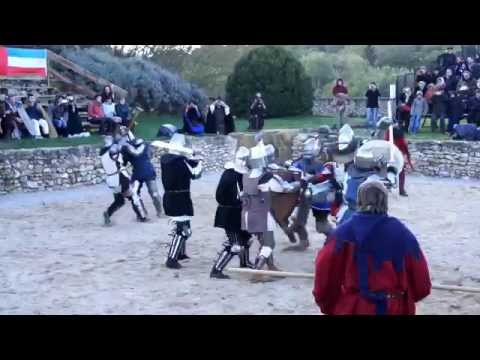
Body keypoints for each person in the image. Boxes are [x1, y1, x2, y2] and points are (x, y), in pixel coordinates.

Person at [312, 180, 431, 315]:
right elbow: (422, 285)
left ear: (359, 201)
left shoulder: (342, 234)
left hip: (355, 308)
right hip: (393, 307)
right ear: (385, 202)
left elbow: (324, 278)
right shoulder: (402, 233)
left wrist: (332, 306)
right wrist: (400, 299)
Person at [241, 136, 301, 273]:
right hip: (262, 215)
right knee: (269, 244)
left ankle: (271, 266)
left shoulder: (247, 175)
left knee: (263, 242)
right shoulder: (267, 178)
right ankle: (257, 271)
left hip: (247, 214)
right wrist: (298, 183)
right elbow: (285, 189)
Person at [158, 134, 203, 269]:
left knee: (183, 226)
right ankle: (172, 259)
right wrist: (200, 162)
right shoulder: (180, 161)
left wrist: (192, 159)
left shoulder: (166, 159)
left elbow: (186, 165)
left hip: (171, 197)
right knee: (184, 231)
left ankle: (181, 253)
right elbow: (195, 174)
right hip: (180, 199)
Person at [210, 146, 254, 279]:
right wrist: (238, 199)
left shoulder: (240, 175)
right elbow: (221, 196)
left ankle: (244, 263)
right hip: (229, 214)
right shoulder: (230, 176)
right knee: (235, 245)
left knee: (246, 238)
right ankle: (216, 270)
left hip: (239, 213)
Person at [100, 136, 148, 226]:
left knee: (119, 200)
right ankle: (141, 216)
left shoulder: (103, 154)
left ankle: (108, 213)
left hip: (112, 180)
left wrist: (121, 142)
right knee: (133, 195)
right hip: (120, 179)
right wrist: (122, 143)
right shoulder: (112, 151)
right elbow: (116, 153)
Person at [121, 138, 163, 218]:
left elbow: (123, 163)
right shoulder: (144, 146)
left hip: (147, 173)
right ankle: (142, 214)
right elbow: (123, 163)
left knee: (154, 194)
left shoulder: (127, 149)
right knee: (135, 195)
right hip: (140, 173)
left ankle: (159, 212)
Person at [385, 125, 413, 197]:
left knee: (386, 171)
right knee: (401, 173)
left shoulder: (388, 134)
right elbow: (405, 148)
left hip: (390, 155)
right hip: (396, 156)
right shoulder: (400, 138)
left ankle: (388, 187)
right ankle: (401, 190)